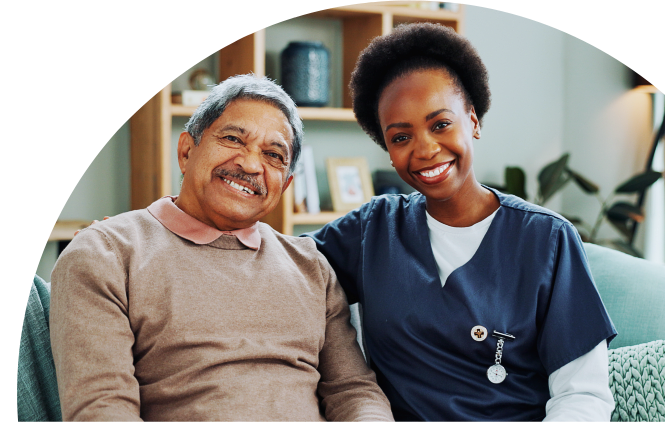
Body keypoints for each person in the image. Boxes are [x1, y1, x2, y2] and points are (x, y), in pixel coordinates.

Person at [302, 23, 617, 421]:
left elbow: (583, 395)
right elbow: (282, 267)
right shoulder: (372, 230)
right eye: (401, 137)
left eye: (440, 124)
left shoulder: (547, 239)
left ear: (473, 121)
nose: (425, 150)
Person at [50, 74, 393, 422]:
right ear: (187, 151)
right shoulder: (105, 254)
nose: (250, 164)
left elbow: (353, 391)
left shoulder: (311, 265)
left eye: (273, 155)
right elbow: (103, 409)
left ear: (285, 185)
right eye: (233, 139)